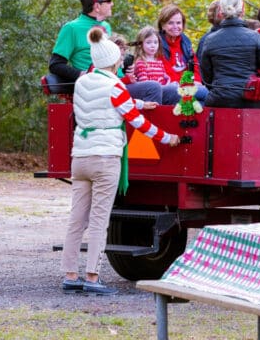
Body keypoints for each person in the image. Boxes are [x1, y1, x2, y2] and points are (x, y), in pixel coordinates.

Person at [60, 27, 179, 296]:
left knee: (76, 219)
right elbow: (137, 122)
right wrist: (168, 137)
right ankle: (92, 276)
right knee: (100, 219)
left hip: (80, 156)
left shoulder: (81, 83)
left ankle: (70, 274)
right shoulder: (115, 85)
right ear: (114, 61)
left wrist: (136, 101)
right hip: (105, 157)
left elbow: (106, 103)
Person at [48, 0, 162, 104]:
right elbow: (55, 65)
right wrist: (84, 74)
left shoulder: (105, 26)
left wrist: (124, 66)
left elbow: (108, 60)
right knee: (153, 88)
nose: (112, 4)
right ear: (97, 6)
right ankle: (142, 123)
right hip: (99, 89)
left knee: (172, 90)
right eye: (109, 1)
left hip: (118, 82)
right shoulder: (71, 28)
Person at [199, 0, 260, 108]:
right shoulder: (255, 37)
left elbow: (206, 78)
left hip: (219, 99)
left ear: (220, 11)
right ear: (243, 10)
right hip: (250, 98)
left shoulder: (209, 40)